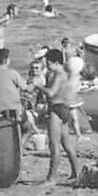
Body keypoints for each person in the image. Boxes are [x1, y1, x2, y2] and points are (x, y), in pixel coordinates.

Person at [38, 48, 81, 184]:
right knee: (67, 144)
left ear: (55, 62)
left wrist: (39, 86)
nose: (47, 66)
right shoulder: (63, 74)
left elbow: (51, 93)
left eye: (48, 63)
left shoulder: (59, 75)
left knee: (54, 145)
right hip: (64, 109)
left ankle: (51, 178)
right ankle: (76, 173)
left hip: (56, 109)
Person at [0, 48, 25, 122]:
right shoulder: (13, 73)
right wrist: (35, 84)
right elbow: (26, 88)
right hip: (14, 113)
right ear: (6, 61)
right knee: (28, 123)